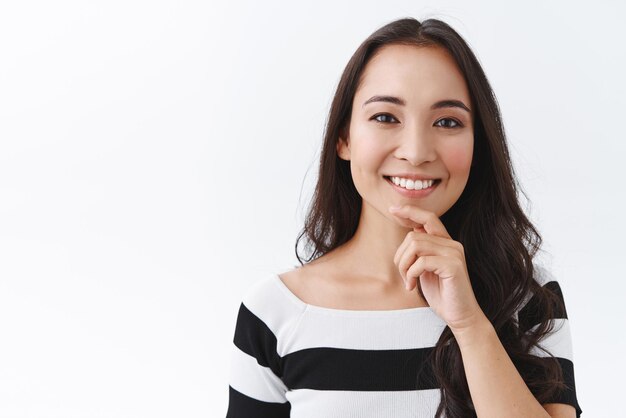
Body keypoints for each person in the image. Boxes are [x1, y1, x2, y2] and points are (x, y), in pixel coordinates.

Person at [225, 17, 582, 418]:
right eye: (385, 117)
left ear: (477, 143)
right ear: (343, 137)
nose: (416, 151)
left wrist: (469, 325)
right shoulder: (275, 312)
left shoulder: (526, 297)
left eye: (447, 122)